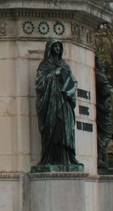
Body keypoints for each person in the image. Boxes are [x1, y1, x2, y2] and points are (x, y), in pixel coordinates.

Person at [33, 39, 79, 170]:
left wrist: (68, 91)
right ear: (50, 49)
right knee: (53, 129)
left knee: (66, 129)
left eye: (59, 46)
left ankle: (67, 158)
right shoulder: (44, 65)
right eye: (55, 46)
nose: (57, 49)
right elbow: (39, 83)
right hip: (51, 104)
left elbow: (73, 82)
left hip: (65, 103)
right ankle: (51, 158)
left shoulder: (65, 64)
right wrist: (53, 74)